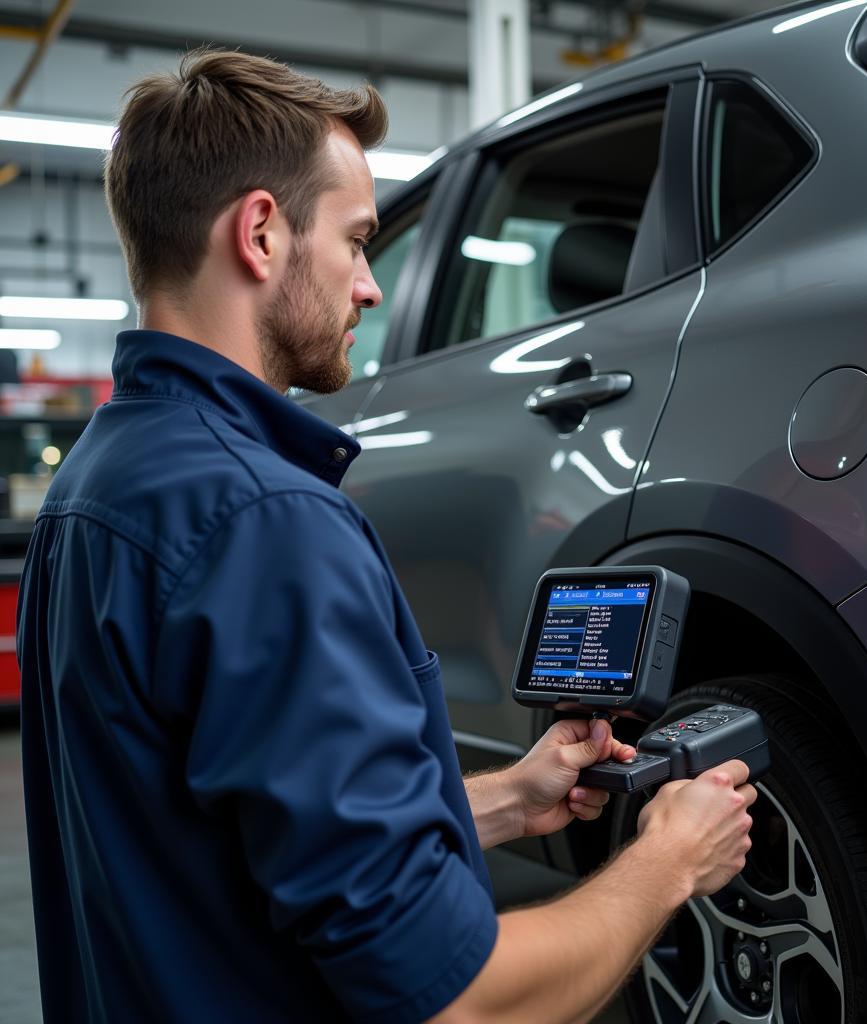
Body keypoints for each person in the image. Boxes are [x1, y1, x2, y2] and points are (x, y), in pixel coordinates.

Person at [16, 49, 755, 1024]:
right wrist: (664, 862)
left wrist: (503, 800)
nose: (369, 286)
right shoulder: (268, 525)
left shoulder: (95, 485)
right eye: (359, 241)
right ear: (262, 233)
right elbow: (460, 1003)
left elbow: (212, 833)